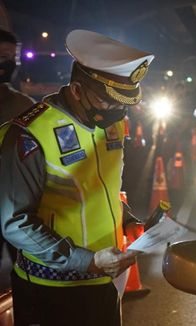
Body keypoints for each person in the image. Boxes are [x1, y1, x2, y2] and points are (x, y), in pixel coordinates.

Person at [0, 29, 154, 326]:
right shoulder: (29, 134)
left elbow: (101, 191)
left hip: (102, 283)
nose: (117, 110)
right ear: (77, 90)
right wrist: (86, 261)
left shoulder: (112, 125)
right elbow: (14, 222)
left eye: (123, 103)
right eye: (108, 101)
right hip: (49, 291)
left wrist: (128, 220)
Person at [0, 29, 35, 274]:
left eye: (12, 56)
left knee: (27, 272)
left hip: (16, 208)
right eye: (1, 54)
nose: (7, 61)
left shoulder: (23, 106)